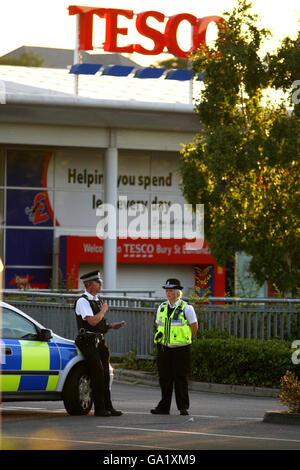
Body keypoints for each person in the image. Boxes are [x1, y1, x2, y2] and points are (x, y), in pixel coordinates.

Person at [74, 270, 126, 417]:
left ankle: (108, 407)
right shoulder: (83, 301)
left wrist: (110, 325)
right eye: (97, 282)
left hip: (100, 340)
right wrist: (103, 311)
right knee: (97, 374)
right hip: (89, 342)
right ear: (89, 285)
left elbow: (98, 323)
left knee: (105, 376)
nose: (100, 283)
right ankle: (100, 408)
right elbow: (91, 321)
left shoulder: (97, 300)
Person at [151, 278, 198, 416]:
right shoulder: (162, 307)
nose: (168, 293)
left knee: (180, 378)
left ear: (177, 292)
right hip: (164, 347)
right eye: (166, 290)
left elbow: (194, 326)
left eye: (170, 290)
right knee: (164, 378)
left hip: (181, 348)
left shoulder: (187, 308)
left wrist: (187, 338)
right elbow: (158, 324)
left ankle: (183, 407)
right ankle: (164, 407)